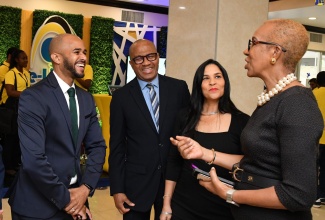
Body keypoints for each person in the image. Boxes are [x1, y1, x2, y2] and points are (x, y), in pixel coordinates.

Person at [171, 19, 323, 220]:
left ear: (275, 52)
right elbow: (256, 163)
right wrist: (204, 153)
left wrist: (231, 194)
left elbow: (299, 194)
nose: (246, 51)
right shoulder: (272, 99)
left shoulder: (297, 104)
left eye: (253, 42)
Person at [8, 34, 106, 219]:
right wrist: (68, 201)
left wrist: (85, 189)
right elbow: (34, 160)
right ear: (56, 57)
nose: (84, 57)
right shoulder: (34, 97)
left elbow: (98, 146)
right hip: (37, 207)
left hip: (77, 200)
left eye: (84, 52)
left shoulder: (86, 99)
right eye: (76, 52)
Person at [109, 39, 190, 220]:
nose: (146, 63)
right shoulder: (121, 97)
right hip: (136, 185)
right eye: (138, 59)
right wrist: (117, 189)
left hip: (173, 182)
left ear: (158, 57)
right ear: (131, 63)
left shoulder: (179, 88)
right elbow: (117, 145)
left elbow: (189, 133)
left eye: (150, 56)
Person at [160, 59, 250, 220]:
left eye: (217, 76)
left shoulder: (242, 121)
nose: (212, 82)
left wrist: (207, 154)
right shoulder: (184, 117)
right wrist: (166, 204)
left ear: (225, 82)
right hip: (184, 204)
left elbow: (249, 163)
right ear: (199, 85)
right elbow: (173, 162)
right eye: (205, 78)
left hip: (224, 207)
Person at [1, 49, 30, 177]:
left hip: (23, 108)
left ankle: (17, 163)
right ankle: (8, 166)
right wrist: (28, 94)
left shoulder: (27, 73)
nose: (26, 60)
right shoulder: (10, 74)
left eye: (26, 58)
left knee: (20, 137)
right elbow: (11, 91)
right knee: (10, 138)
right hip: (12, 109)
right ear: (17, 60)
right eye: (23, 58)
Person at [313, 71, 325, 208]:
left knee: (314, 168)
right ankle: (323, 194)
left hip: (317, 138)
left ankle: (316, 196)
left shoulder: (314, 94)